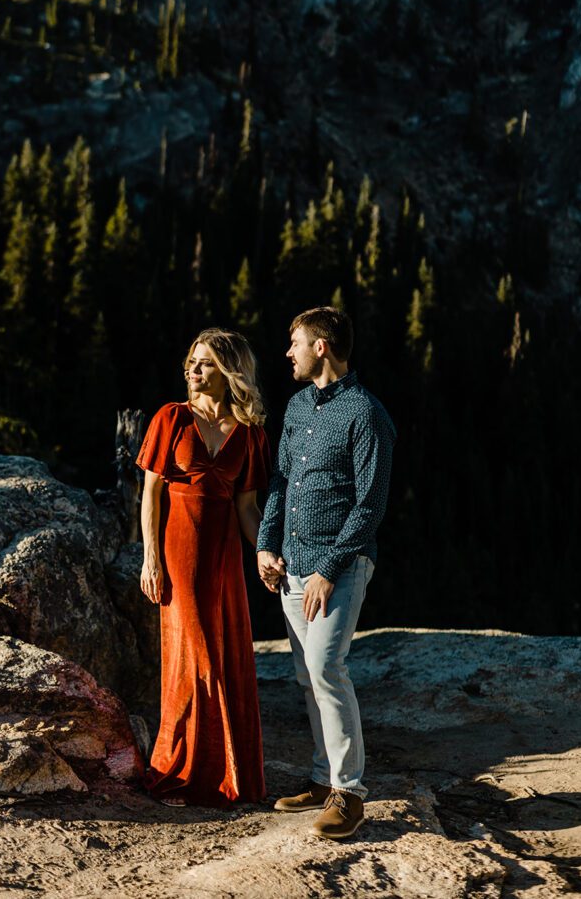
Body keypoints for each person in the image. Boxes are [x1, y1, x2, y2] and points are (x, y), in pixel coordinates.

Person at [257, 307, 396, 840]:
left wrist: (328, 570)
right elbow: (280, 483)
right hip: (292, 564)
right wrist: (266, 547)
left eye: (294, 343)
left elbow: (370, 505)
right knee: (304, 674)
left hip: (340, 565)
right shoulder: (296, 408)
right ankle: (322, 778)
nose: (287, 352)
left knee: (326, 665)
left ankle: (349, 794)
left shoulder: (367, 414)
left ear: (321, 347)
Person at [135, 327, 270, 807]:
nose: (193, 369)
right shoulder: (171, 418)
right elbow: (149, 493)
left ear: (229, 370)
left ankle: (225, 773)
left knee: (225, 651)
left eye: (205, 362)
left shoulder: (250, 432)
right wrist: (150, 557)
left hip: (225, 555)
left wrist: (267, 552)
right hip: (178, 549)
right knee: (194, 657)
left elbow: (247, 508)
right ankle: (181, 770)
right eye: (191, 360)